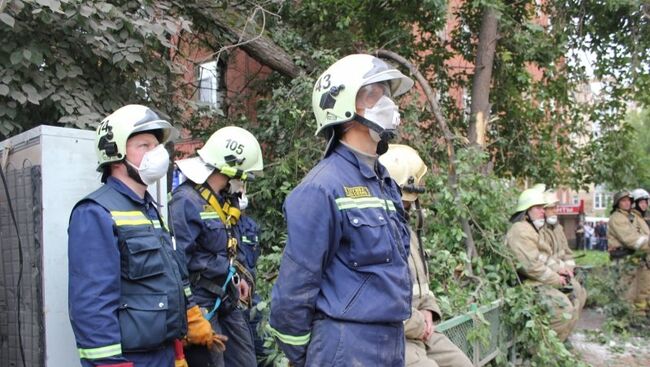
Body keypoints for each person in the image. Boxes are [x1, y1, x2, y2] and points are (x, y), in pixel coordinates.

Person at [269, 54, 414, 366]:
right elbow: (295, 288)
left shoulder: (384, 182)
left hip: (389, 341)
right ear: (345, 109)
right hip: (346, 345)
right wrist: (313, 356)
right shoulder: (321, 188)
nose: (387, 102)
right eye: (375, 94)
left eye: (387, 93)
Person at [68, 105, 224, 367]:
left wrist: (190, 317)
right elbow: (92, 305)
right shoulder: (95, 212)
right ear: (115, 153)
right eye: (145, 145)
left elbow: (170, 277)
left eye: (156, 145)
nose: (157, 153)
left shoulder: (150, 210)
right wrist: (110, 364)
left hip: (163, 353)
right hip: (132, 358)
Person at [170, 126, 263, 366]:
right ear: (229, 169)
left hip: (226, 298)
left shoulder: (222, 202)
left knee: (245, 361)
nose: (243, 183)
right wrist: (190, 313)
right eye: (242, 176)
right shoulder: (186, 201)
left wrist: (240, 276)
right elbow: (178, 262)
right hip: (201, 302)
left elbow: (225, 248)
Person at [379, 144, 473, 367]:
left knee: (462, 364)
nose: (414, 201)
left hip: (421, 328)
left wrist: (429, 310)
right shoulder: (377, 233)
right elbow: (380, 301)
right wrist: (419, 323)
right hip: (393, 336)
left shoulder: (407, 231)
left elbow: (422, 286)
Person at [505, 186, 579, 341]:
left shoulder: (530, 229)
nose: (543, 212)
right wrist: (556, 279)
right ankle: (540, 350)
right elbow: (531, 266)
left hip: (536, 282)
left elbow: (544, 257)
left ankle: (557, 346)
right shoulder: (521, 231)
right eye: (538, 208)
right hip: (526, 286)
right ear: (526, 211)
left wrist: (561, 269)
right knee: (563, 308)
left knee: (573, 298)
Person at [539, 190, 587, 321]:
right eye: (551, 208)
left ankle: (568, 331)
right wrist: (563, 267)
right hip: (551, 274)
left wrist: (570, 266)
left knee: (581, 294)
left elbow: (567, 251)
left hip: (564, 271)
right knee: (571, 298)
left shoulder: (558, 228)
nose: (555, 211)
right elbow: (544, 257)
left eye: (556, 207)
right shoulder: (539, 230)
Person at [608, 189, 650, 314]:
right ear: (617, 203)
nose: (627, 203)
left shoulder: (629, 217)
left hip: (631, 257)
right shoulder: (617, 218)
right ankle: (622, 320)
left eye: (628, 200)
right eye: (623, 201)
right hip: (622, 258)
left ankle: (635, 316)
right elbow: (631, 239)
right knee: (625, 291)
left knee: (636, 290)